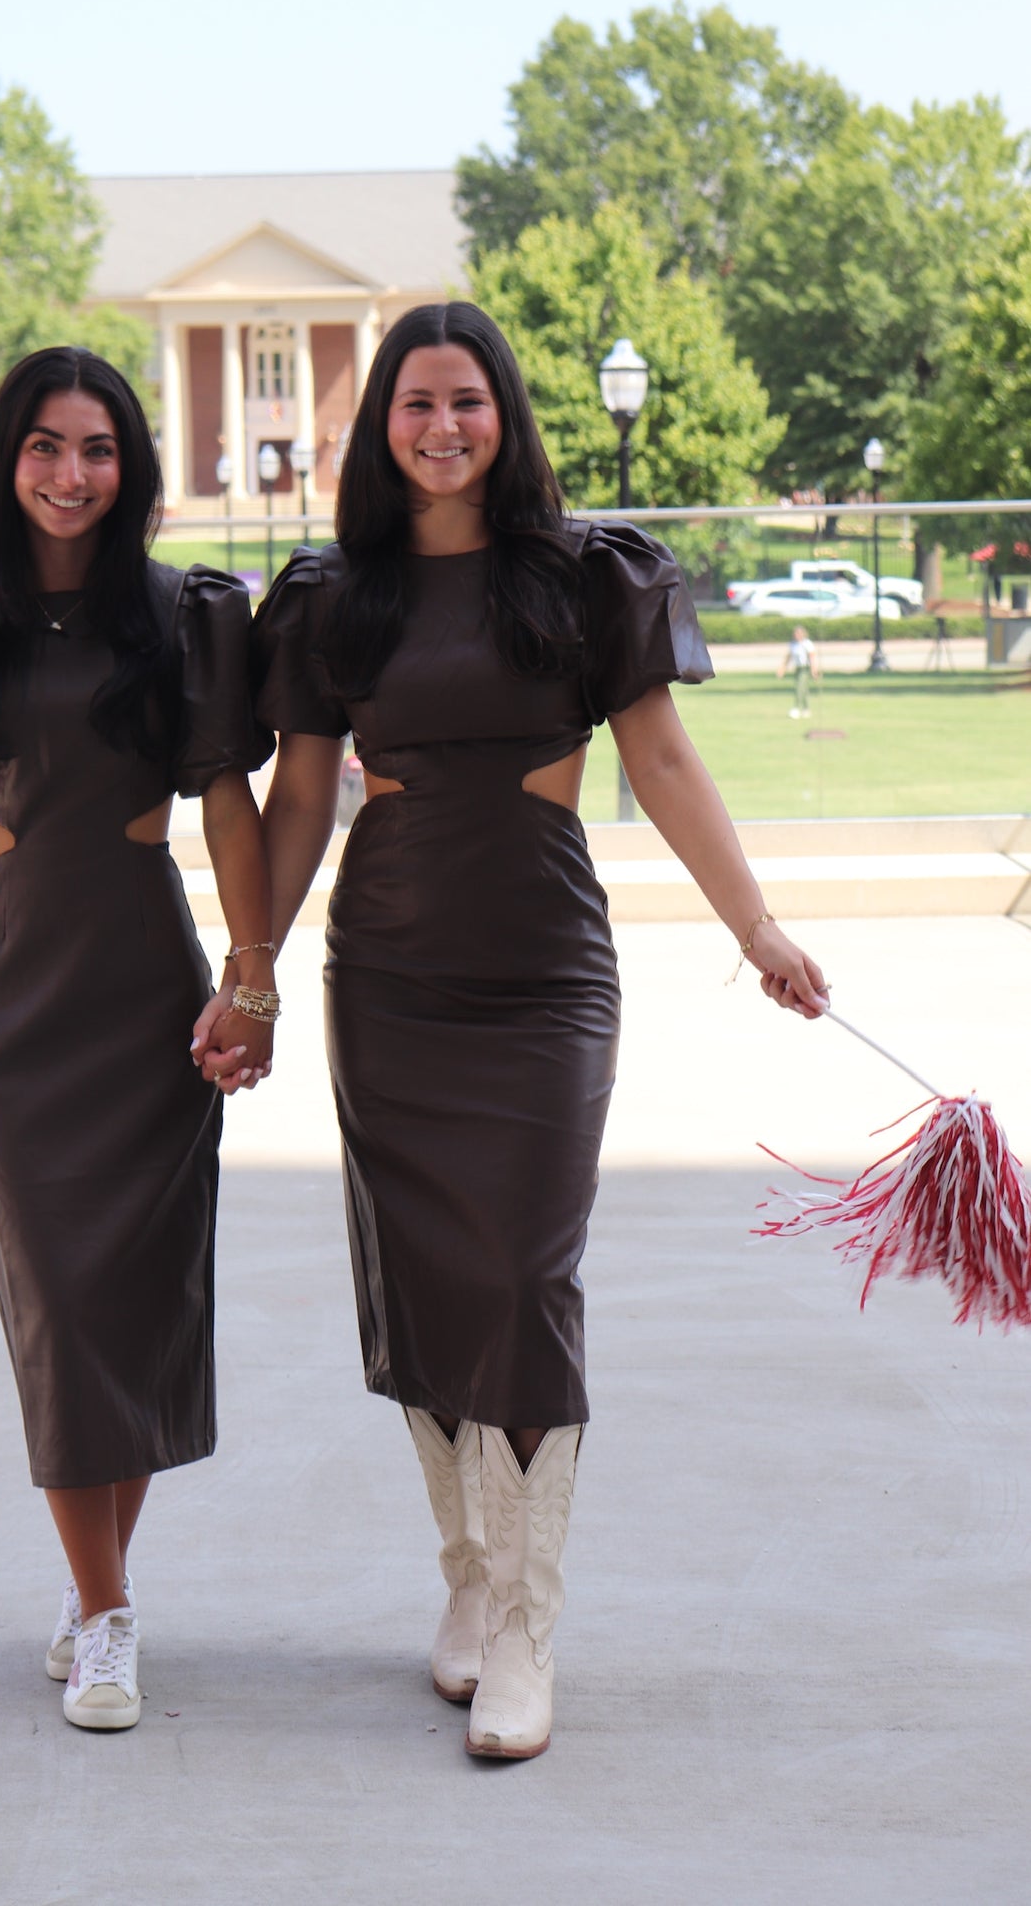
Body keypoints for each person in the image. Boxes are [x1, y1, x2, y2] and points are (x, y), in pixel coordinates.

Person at [225, 302, 828, 1762]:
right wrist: (247, 972)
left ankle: (527, 1630)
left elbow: (664, 758)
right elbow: (301, 799)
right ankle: (467, 1579)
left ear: (506, 417)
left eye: (468, 401)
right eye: (416, 404)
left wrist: (757, 929)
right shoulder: (332, 597)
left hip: (544, 975)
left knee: (520, 1272)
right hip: (388, 974)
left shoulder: (582, 578)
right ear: (381, 427)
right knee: (430, 1279)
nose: (443, 427)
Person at [0, 347, 277, 1734]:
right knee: (56, 1310)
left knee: (137, 1310)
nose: (69, 473)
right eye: (44, 446)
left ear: (129, 465)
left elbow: (224, 800)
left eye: (95, 448)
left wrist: (250, 981)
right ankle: (104, 1615)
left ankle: (99, 1593)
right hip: (14, 997)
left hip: (151, 990)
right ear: (4, 459)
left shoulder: (181, 619)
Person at [779, 623, 818, 716]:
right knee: (803, 689)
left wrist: (814, 670)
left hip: (805, 668)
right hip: (798, 668)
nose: (796, 635)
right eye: (795, 633)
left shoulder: (807, 644)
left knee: (799, 687)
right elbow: (789, 657)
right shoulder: (793, 644)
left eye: (799, 633)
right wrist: (782, 669)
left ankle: (796, 707)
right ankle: (806, 709)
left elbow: (812, 657)